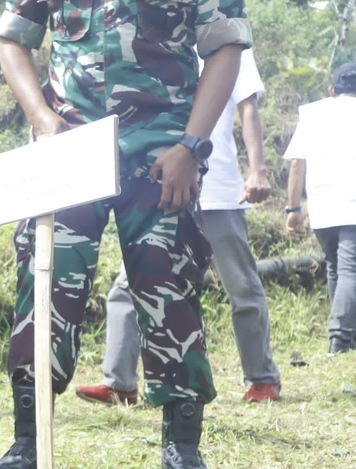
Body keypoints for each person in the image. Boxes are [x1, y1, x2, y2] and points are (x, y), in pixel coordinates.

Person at [0, 0, 252, 469]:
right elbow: (13, 39)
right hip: (68, 145)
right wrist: (42, 118)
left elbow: (225, 47)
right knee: (46, 280)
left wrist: (192, 145)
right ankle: (27, 443)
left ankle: (184, 448)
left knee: (167, 281)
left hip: (163, 146)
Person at [76, 49, 281, 406]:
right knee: (128, 286)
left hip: (216, 189)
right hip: (160, 186)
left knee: (242, 286)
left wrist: (258, 169)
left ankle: (262, 378)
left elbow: (248, 109)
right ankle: (119, 382)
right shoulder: (152, 40)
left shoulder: (225, 46)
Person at [283, 61, 356, 356]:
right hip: (352, 206)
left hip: (322, 207)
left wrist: (293, 208)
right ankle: (339, 337)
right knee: (350, 271)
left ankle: (347, 338)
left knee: (336, 268)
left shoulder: (312, 113)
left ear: (332, 90)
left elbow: (297, 164)